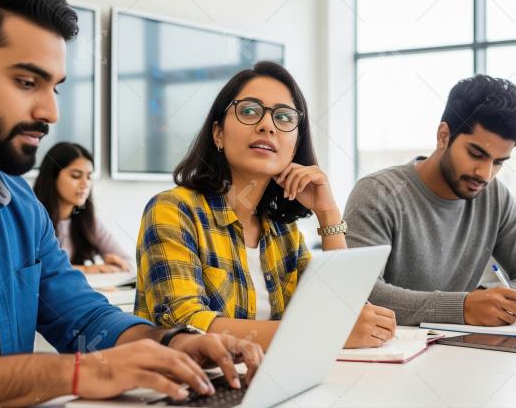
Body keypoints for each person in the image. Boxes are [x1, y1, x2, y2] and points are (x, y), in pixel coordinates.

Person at [0, 0, 262, 406]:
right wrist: (80, 373)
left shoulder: (18, 205)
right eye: (25, 82)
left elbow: (83, 317)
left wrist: (171, 342)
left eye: (54, 87)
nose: (50, 112)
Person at [134, 61, 397, 350]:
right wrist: (324, 333)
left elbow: (344, 311)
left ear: (294, 146)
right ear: (218, 133)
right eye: (249, 111)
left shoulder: (282, 230)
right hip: (196, 387)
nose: (267, 125)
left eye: (284, 118)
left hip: (272, 382)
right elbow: (185, 326)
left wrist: (327, 213)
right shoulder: (173, 210)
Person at [344, 74, 516, 327]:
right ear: (443, 135)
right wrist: (463, 307)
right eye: (476, 153)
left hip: (461, 352)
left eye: (499, 162)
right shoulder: (378, 193)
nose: (485, 173)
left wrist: (489, 302)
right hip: (389, 355)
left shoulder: (495, 197)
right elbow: (363, 293)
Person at [34, 142, 133, 273]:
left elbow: (128, 263)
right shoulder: (33, 220)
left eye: (89, 177)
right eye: (76, 175)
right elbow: (38, 270)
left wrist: (115, 265)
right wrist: (87, 269)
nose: (85, 184)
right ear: (53, 177)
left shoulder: (88, 221)